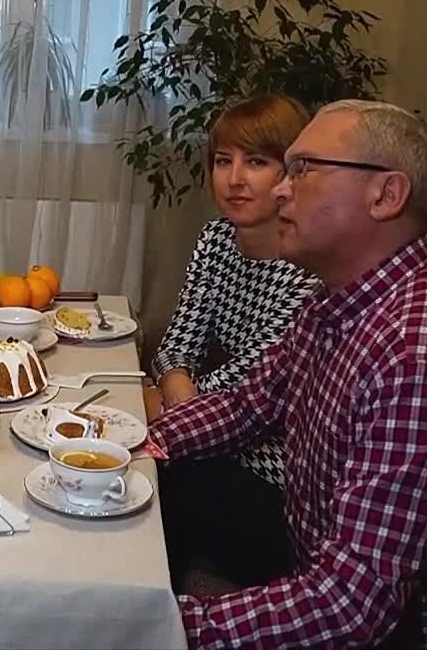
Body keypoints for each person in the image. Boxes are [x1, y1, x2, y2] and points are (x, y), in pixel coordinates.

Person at [149, 99, 427, 648]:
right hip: (323, 558)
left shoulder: (423, 350)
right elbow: (248, 406)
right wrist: (140, 444)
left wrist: (156, 627)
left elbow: (352, 605)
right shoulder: (337, 299)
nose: (281, 189)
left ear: (385, 195)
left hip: (425, 632)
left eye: (303, 169)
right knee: (160, 479)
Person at [146, 94, 319, 590]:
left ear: (291, 175)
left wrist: (166, 404)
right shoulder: (217, 238)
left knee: (155, 478)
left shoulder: (309, 269)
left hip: (278, 477)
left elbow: (249, 390)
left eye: (256, 162)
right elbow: (177, 342)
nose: (234, 179)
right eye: (223, 161)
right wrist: (177, 389)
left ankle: (148, 611)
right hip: (212, 432)